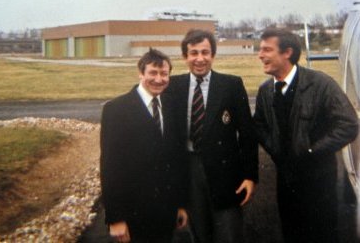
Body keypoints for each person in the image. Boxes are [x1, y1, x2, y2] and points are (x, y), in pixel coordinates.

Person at [253, 28, 359, 243]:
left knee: (322, 235)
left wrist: (313, 150)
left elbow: (348, 123)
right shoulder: (265, 91)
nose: (260, 55)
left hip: (319, 182)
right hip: (286, 181)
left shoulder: (321, 84)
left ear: (287, 53)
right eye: (260, 49)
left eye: (267, 49)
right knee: (293, 233)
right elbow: (259, 125)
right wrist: (274, 149)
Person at [166, 29, 258, 243]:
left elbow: (247, 133)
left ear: (213, 55)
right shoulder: (173, 86)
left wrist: (250, 176)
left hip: (225, 172)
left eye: (205, 52)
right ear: (185, 57)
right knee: (199, 233)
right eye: (193, 53)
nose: (200, 59)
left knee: (229, 232)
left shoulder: (231, 85)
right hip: (189, 170)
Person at [100, 48, 189, 243]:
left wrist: (180, 205)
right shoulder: (116, 110)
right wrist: (116, 218)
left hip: (166, 212)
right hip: (134, 215)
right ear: (141, 73)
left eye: (164, 74)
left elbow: (176, 160)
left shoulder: (171, 106)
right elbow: (110, 167)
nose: (159, 79)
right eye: (153, 73)